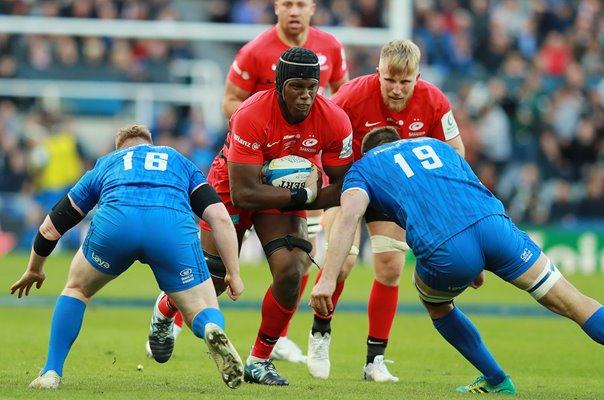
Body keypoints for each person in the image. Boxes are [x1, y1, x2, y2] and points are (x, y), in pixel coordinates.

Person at [310, 127, 604, 394]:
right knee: (570, 299)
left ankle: (497, 379)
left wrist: (326, 278)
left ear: (367, 150)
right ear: (401, 141)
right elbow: (472, 186)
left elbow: (349, 218)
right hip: (494, 226)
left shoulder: (363, 168)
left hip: (447, 247)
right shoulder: (436, 146)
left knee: (436, 304)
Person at [147, 0, 350, 364]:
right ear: (278, 85)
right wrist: (306, 193)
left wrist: (304, 191)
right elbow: (243, 191)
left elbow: (343, 187)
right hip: (235, 183)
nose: (306, 96)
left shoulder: (334, 118)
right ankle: (166, 308)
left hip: (287, 187)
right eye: (297, 87)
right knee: (215, 279)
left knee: (292, 270)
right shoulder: (252, 109)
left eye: (312, 88)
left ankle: (260, 360)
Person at [10, 125, 246, 390]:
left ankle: (51, 372)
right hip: (170, 228)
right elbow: (221, 219)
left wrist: (35, 268)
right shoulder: (178, 160)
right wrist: (233, 273)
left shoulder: (109, 162)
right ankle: (210, 328)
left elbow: (50, 227)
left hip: (117, 225)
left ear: (120, 148)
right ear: (151, 145)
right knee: (201, 308)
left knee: (76, 289)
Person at [306, 38, 465, 382]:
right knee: (343, 259)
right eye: (389, 80)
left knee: (391, 265)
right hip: (347, 182)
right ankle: (320, 334)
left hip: (393, 191)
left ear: (417, 78)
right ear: (377, 72)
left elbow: (455, 153)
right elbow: (317, 138)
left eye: (405, 82)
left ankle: (374, 361)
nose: (396, 89)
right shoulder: (349, 95)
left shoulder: (434, 101)